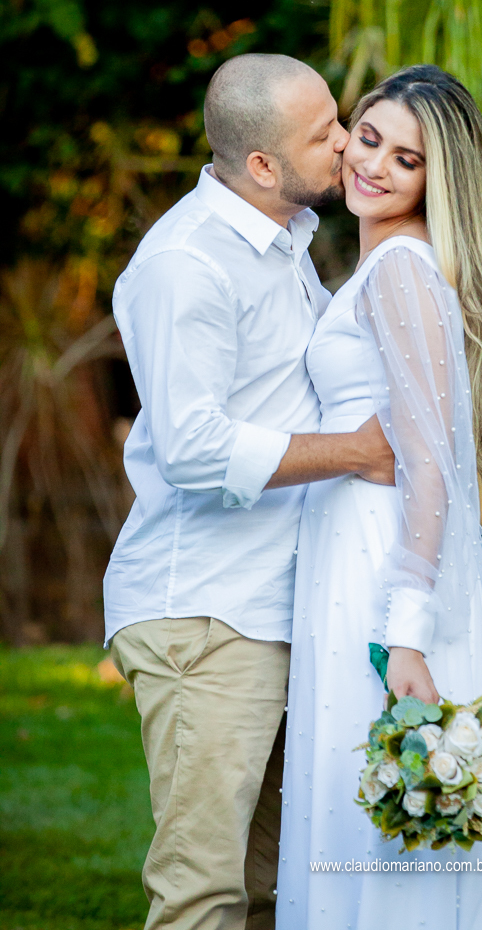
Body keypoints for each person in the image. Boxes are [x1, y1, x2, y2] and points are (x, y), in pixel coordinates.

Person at [277, 65, 482, 929]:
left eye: (405, 160)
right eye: (369, 138)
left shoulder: (402, 270)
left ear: (435, 181)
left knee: (391, 815)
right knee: (369, 803)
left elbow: (430, 466)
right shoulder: (387, 265)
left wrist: (405, 633)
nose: (373, 165)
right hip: (355, 553)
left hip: (381, 567)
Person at [105, 53, 395, 930]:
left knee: (275, 888)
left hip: (278, 608)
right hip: (206, 615)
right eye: (324, 133)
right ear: (262, 164)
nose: (347, 143)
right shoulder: (186, 263)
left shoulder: (285, 241)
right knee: (204, 892)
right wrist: (355, 453)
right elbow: (192, 448)